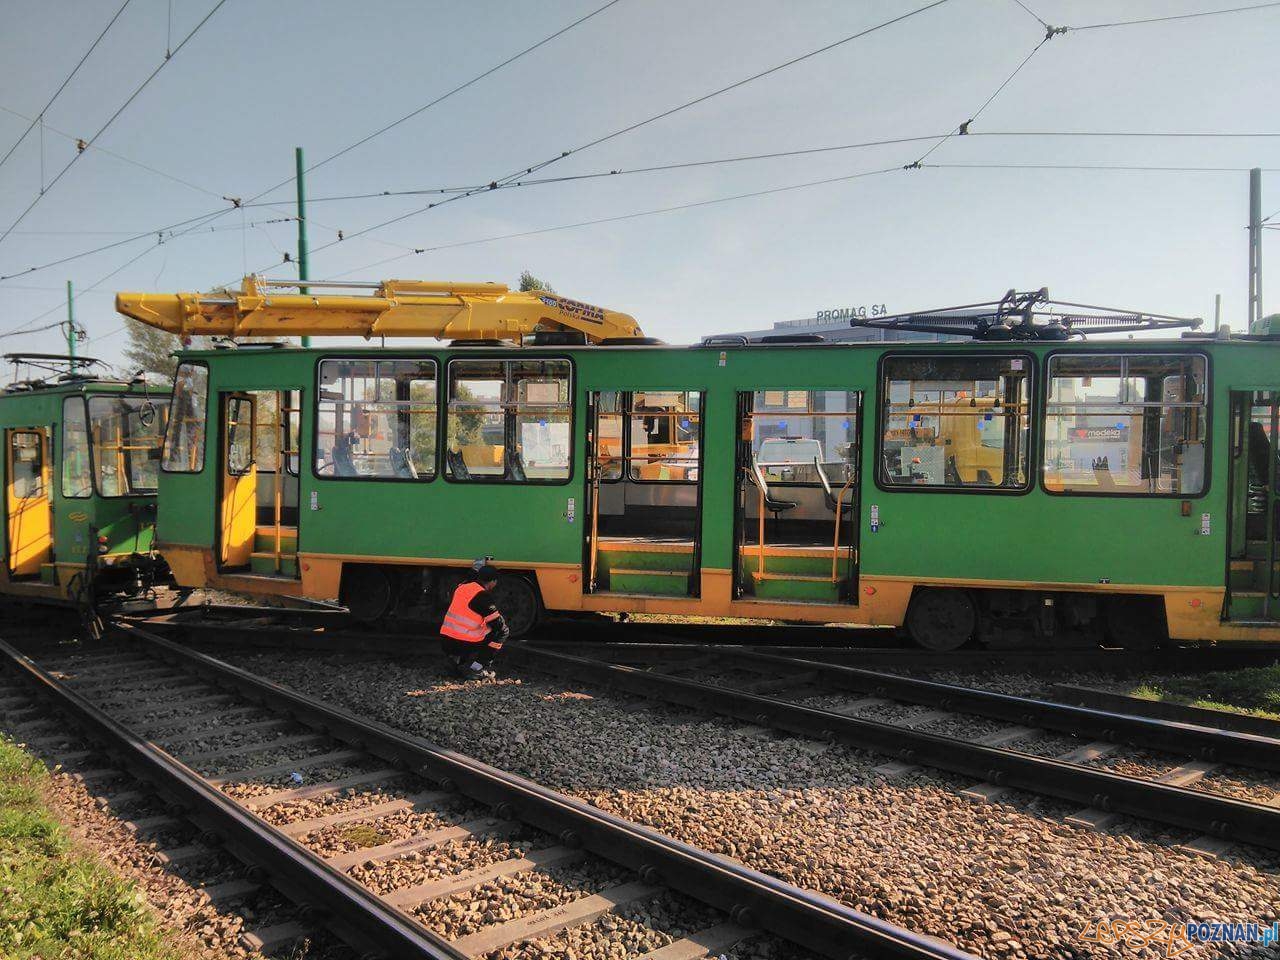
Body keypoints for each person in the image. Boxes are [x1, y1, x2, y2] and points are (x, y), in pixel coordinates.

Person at [439, 565, 509, 679]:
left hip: (445, 641)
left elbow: (469, 579)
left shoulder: (461, 587)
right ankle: (476, 668)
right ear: (493, 582)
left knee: (474, 630)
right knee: (503, 632)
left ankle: (453, 662)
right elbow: (499, 626)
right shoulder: (482, 597)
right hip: (464, 644)